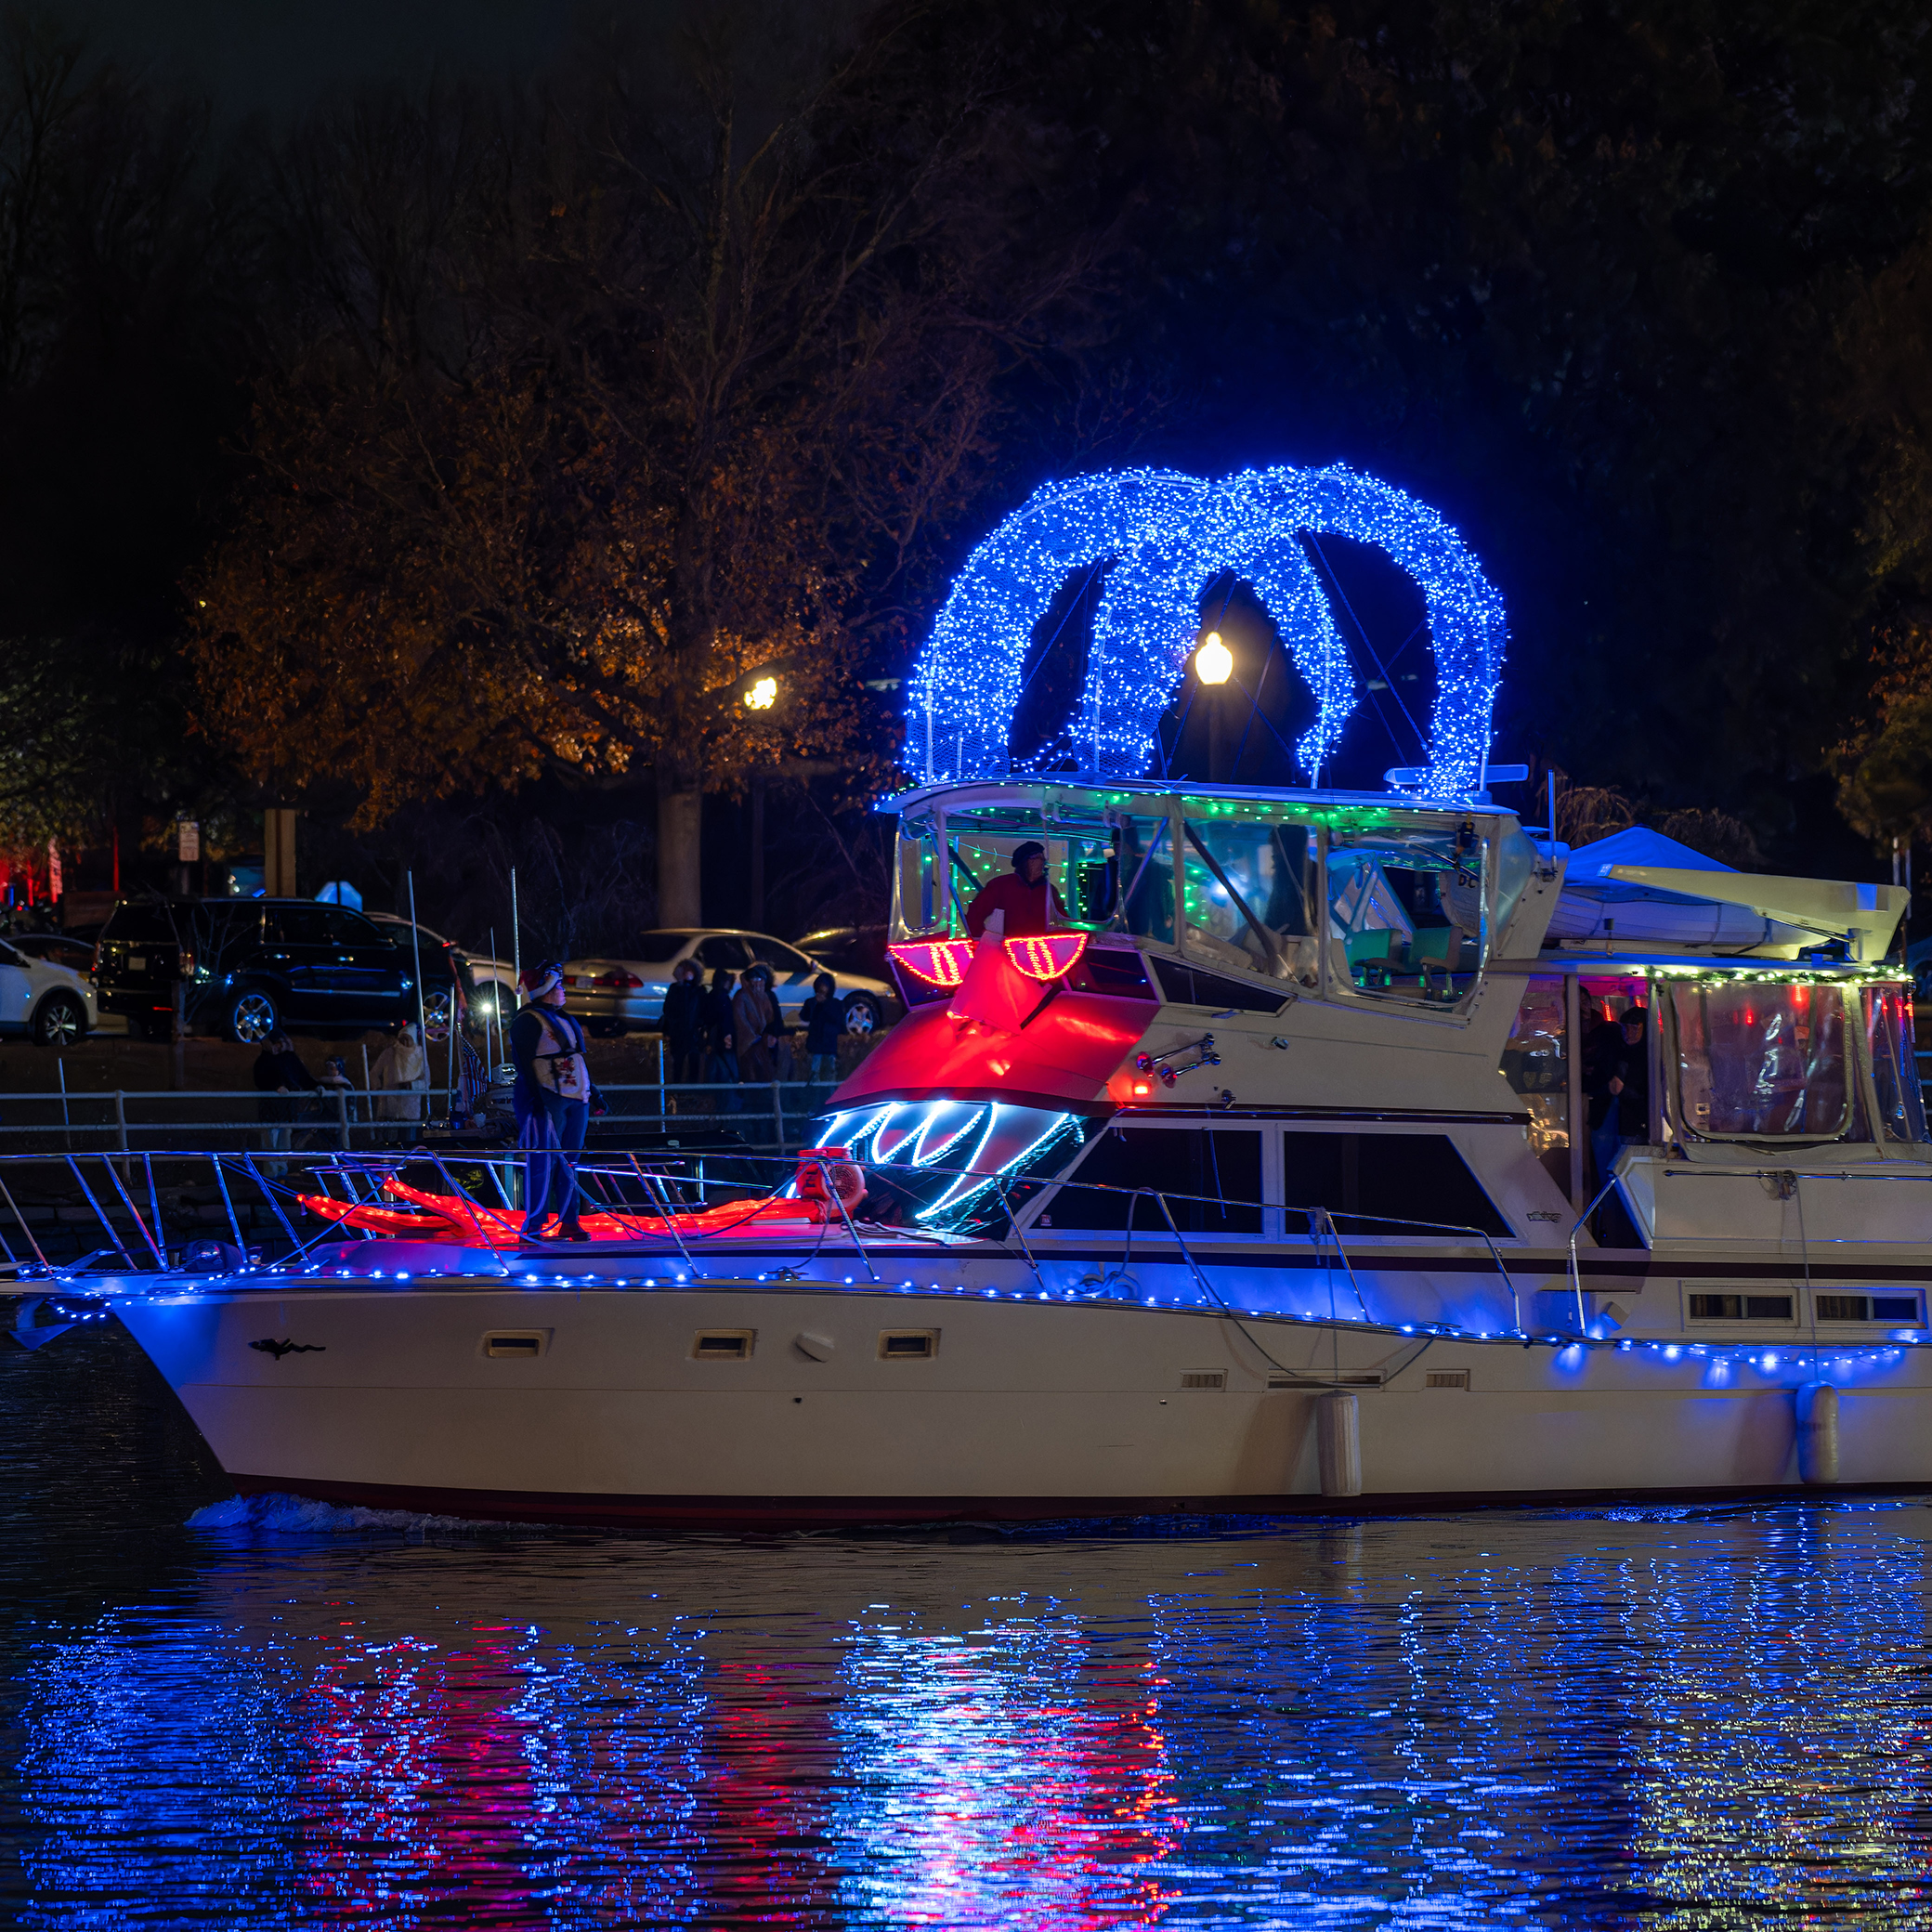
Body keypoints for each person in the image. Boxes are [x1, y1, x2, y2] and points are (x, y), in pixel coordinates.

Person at [509, 962, 593, 1240]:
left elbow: (576, 1056)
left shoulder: (565, 1018)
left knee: (571, 1162)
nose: (563, 989)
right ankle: (534, 1225)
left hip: (575, 1097)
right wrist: (535, 1099)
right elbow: (524, 1062)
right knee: (542, 1162)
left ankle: (570, 1220)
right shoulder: (528, 1021)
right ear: (545, 990)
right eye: (558, 986)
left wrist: (597, 1093)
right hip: (547, 1097)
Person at [964, 842, 1067, 939]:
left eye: (1042, 858)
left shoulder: (1049, 890)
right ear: (1024, 862)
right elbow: (975, 914)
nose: (1041, 862)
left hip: (1042, 950)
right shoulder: (1001, 885)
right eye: (1036, 858)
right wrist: (985, 940)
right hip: (1006, 951)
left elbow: (1064, 920)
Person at [253, 1030, 318, 1175]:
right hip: (272, 1109)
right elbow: (261, 1080)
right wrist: (276, 1086)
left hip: (286, 1108)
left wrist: (315, 1087)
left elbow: (303, 1077)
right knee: (271, 1142)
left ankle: (281, 1172)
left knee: (282, 1142)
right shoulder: (265, 1061)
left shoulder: (288, 1059)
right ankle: (272, 1174)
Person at [370, 1022, 429, 1147]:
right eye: (403, 1039)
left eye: (408, 1039)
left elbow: (426, 1081)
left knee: (409, 1140)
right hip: (390, 1103)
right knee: (389, 1140)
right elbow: (374, 1073)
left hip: (411, 1105)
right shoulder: (390, 1052)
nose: (405, 1043)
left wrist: (412, 1085)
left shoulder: (420, 1055)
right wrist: (378, 1089)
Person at [661, 958, 706, 1086]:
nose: (687, 973)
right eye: (685, 970)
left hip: (693, 1033)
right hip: (678, 1032)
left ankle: (692, 1088)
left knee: (694, 1061)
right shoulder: (675, 989)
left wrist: (700, 1026)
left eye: (690, 970)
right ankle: (677, 1088)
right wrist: (669, 1030)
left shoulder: (699, 990)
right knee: (678, 1062)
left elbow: (702, 1010)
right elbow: (668, 1010)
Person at [733, 966, 777, 1084]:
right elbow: (740, 1020)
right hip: (748, 1044)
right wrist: (754, 1038)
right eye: (754, 979)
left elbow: (770, 1017)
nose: (757, 983)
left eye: (760, 979)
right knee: (751, 1072)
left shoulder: (765, 996)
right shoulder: (741, 996)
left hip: (761, 1042)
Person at [801, 973, 842, 1085]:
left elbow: (838, 1022)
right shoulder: (811, 1002)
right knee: (813, 1077)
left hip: (829, 1047)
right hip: (815, 1047)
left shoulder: (835, 1004)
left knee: (829, 1078)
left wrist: (824, 1004)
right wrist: (814, 1004)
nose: (822, 989)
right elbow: (804, 1016)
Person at [702, 965, 738, 1083]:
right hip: (721, 1035)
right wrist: (727, 1034)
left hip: (713, 1035)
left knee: (714, 1065)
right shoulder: (723, 997)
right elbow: (726, 1018)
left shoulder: (710, 996)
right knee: (725, 1066)